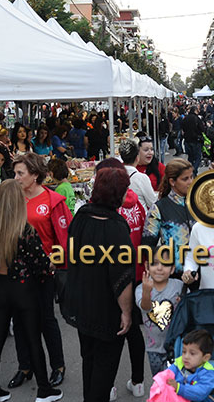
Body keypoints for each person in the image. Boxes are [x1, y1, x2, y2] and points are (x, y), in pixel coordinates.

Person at [0, 180, 61, 402]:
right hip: (24, 288)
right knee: (33, 338)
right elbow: (40, 264)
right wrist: (52, 264)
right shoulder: (24, 229)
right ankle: (43, 389)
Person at [60, 166, 135, 402]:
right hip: (106, 310)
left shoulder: (81, 218)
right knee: (104, 369)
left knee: (89, 361)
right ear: (118, 194)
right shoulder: (116, 227)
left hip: (82, 302)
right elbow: (122, 277)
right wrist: (126, 311)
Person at [9, 153, 71, 390]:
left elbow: (64, 240)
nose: (15, 178)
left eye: (20, 173)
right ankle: (25, 366)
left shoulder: (54, 200)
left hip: (44, 271)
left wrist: (53, 262)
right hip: (17, 271)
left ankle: (58, 366)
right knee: (19, 319)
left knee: (46, 319)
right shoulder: (13, 199)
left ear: (35, 175)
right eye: (15, 173)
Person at [94, 158, 147, 400]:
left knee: (112, 335)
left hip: (113, 278)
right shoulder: (137, 204)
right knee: (134, 330)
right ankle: (138, 381)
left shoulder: (109, 209)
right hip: (136, 273)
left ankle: (110, 385)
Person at [143, 159, 195, 274]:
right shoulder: (158, 208)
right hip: (174, 275)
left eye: (192, 177)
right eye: (185, 179)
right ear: (172, 181)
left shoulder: (199, 204)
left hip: (201, 272)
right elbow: (147, 246)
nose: (190, 182)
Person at [136, 256, 183, 376]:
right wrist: (147, 292)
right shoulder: (141, 288)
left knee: (176, 381)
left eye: (165, 264)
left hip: (176, 347)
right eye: (155, 264)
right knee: (159, 381)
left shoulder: (179, 286)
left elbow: (188, 309)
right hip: (154, 348)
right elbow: (145, 307)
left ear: (172, 269)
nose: (159, 268)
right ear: (147, 266)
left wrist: (182, 302)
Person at [155, 330, 214, 402]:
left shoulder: (207, 373)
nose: (186, 357)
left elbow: (200, 393)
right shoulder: (179, 364)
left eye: (192, 353)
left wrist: (179, 388)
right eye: (184, 352)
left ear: (205, 357)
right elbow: (167, 374)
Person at [120, 140, 157, 212]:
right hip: (138, 218)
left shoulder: (114, 175)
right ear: (137, 157)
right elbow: (152, 202)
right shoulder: (141, 178)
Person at [181, 105, 206, 176]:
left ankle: (191, 169)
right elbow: (202, 129)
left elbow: (183, 127)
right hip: (196, 140)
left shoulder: (186, 118)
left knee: (190, 157)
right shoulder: (197, 118)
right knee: (198, 157)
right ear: (195, 111)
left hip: (187, 140)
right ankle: (194, 170)